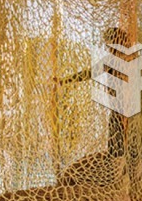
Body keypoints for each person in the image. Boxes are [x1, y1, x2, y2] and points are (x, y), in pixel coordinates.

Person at [56, 27, 133, 158]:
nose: (107, 46)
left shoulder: (113, 60)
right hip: (127, 110)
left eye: (108, 42)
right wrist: (64, 80)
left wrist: (64, 81)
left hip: (122, 111)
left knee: (117, 151)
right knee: (122, 150)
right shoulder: (129, 59)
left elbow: (89, 73)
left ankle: (121, 172)